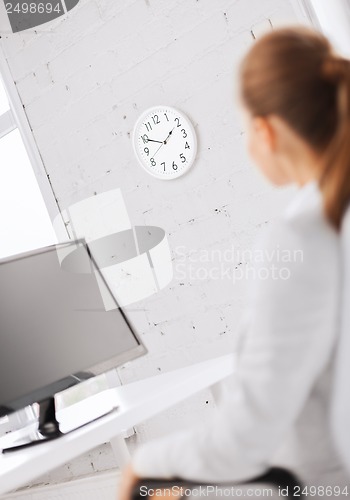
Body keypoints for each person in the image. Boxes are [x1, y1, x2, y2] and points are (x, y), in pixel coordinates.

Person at [118, 26, 350, 499]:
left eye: (244, 127)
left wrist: (143, 464)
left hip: (322, 479)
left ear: (264, 131)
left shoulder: (302, 239)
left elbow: (246, 440)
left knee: (152, 486)